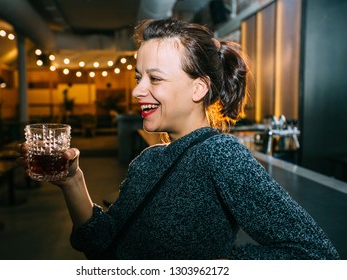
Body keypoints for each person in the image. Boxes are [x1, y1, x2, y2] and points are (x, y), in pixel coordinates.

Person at [19, 18, 339, 260]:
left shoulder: (219, 155)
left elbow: (314, 254)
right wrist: (72, 181)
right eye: (138, 78)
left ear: (198, 88)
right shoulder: (148, 160)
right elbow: (104, 243)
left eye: (155, 78)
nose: (136, 90)